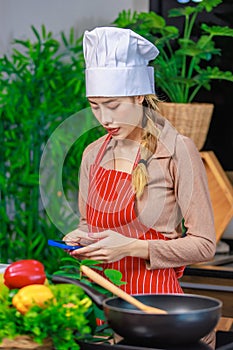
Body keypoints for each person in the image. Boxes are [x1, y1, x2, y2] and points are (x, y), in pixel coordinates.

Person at [63, 26, 216, 295]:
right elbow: (88, 225)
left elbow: (204, 244)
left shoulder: (177, 150)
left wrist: (131, 247)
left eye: (113, 105)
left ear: (139, 96)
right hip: (100, 300)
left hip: (154, 302)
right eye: (94, 106)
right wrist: (82, 239)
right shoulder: (92, 154)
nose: (104, 118)